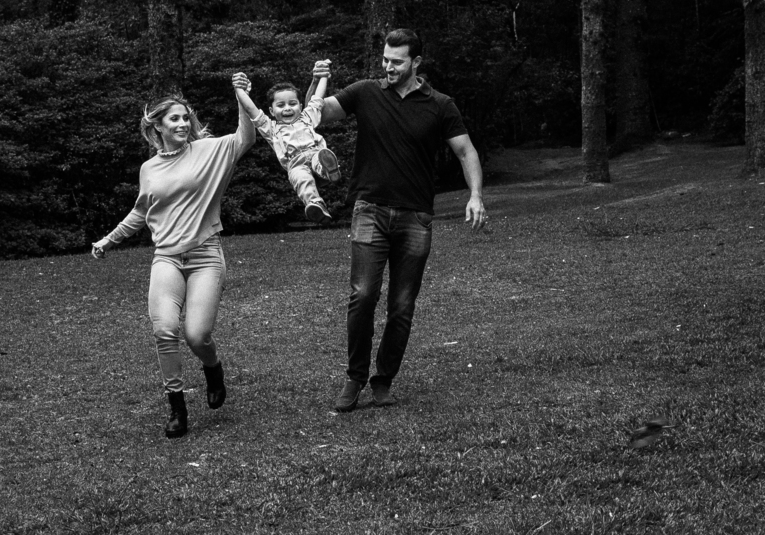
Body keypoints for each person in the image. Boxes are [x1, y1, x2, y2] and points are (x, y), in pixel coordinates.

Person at [317, 28, 485, 412]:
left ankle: (383, 380)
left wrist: (476, 195)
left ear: (416, 63)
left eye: (397, 61)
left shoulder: (440, 105)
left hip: (416, 218)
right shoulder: (365, 92)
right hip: (369, 210)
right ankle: (355, 377)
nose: (388, 67)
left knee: (402, 305)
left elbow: (466, 152)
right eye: (385, 60)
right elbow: (319, 113)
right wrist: (316, 82)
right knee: (363, 295)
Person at [90, 74, 256, 438]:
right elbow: (141, 212)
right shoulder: (149, 169)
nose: (182, 124)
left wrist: (241, 96)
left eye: (185, 118)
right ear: (158, 127)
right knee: (165, 330)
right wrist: (110, 240)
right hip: (166, 257)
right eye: (174, 119)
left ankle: (213, 368)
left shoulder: (209, 150)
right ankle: (177, 407)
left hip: (205, 256)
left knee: (197, 335)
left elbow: (246, 137)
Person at [233, 64, 342, 223]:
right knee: (301, 179)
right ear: (271, 111)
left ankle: (328, 169)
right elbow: (251, 110)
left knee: (319, 158)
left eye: (292, 103)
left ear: (300, 106)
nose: (287, 108)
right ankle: (315, 204)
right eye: (281, 105)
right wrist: (239, 90)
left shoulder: (307, 117)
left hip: (314, 154)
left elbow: (318, 98)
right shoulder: (270, 128)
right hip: (295, 164)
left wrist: (324, 76)